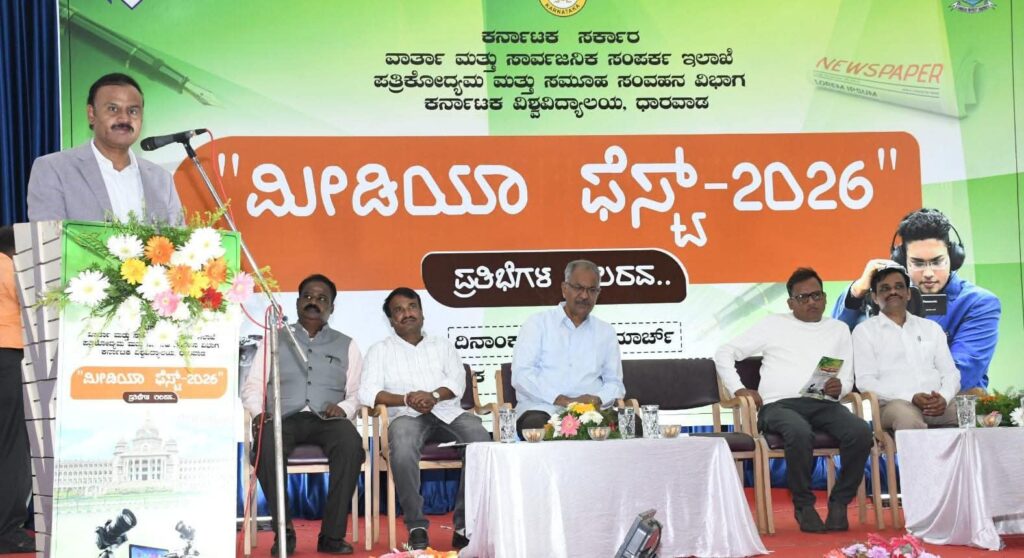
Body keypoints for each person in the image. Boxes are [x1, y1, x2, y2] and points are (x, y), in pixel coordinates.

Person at [714, 267, 872, 533]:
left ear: (825, 297)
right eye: (803, 297)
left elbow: (846, 378)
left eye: (817, 295)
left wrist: (840, 387)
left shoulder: (839, 329)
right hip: (779, 406)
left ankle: (839, 502)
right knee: (798, 431)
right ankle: (804, 506)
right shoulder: (773, 324)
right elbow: (724, 352)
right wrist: (738, 389)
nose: (812, 302)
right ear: (790, 303)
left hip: (823, 403)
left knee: (860, 431)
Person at [358, 288, 490, 551]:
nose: (407, 313)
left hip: (447, 412)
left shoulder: (443, 345)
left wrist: (433, 395)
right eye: (399, 310)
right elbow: (367, 392)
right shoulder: (379, 350)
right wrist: (407, 399)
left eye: (412, 307)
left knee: (480, 440)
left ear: (422, 312)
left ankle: (464, 526)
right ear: (391, 320)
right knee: (402, 444)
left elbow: (457, 381)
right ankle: (416, 525)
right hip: (406, 416)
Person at [241, 274, 364, 555]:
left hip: (328, 419)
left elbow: (358, 391)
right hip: (283, 417)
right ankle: (284, 532)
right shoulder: (274, 339)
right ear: (297, 303)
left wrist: (345, 408)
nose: (313, 302)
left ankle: (332, 536)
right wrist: (259, 414)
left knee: (350, 443)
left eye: (322, 299)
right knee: (267, 442)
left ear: (331, 307)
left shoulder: (347, 344)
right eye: (307, 296)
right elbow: (253, 385)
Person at [833, 208, 999, 393]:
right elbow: (833, 344)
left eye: (937, 262)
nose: (928, 273)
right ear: (902, 260)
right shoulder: (882, 296)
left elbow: (961, 374)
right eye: (918, 263)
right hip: (884, 402)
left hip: (949, 403)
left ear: (953, 258)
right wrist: (856, 292)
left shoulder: (979, 303)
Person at [26, 72, 184, 225]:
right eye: (113, 109)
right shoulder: (54, 169)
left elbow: (179, 240)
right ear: (91, 114)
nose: (124, 118)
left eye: (133, 111)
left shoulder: (162, 180)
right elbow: (50, 239)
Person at [511, 259, 624, 435]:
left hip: (592, 413)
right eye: (578, 288)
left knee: (633, 425)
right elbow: (522, 376)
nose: (585, 296)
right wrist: (561, 399)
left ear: (598, 293)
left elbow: (615, 383)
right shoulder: (537, 324)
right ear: (564, 289)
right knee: (536, 428)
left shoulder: (606, 331)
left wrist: (597, 399)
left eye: (591, 290)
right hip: (543, 408)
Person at [852, 265, 959, 430]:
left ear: (908, 293)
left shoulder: (931, 328)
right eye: (885, 289)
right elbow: (866, 382)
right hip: (893, 404)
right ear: (874, 297)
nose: (893, 292)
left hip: (936, 404)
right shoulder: (864, 332)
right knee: (908, 419)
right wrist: (911, 397)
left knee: (973, 411)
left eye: (899, 287)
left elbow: (950, 373)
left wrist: (944, 397)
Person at [0, 227, 33, 554]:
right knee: (11, 445)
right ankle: (7, 529)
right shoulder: (7, 266)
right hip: (8, 356)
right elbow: (36, 305)